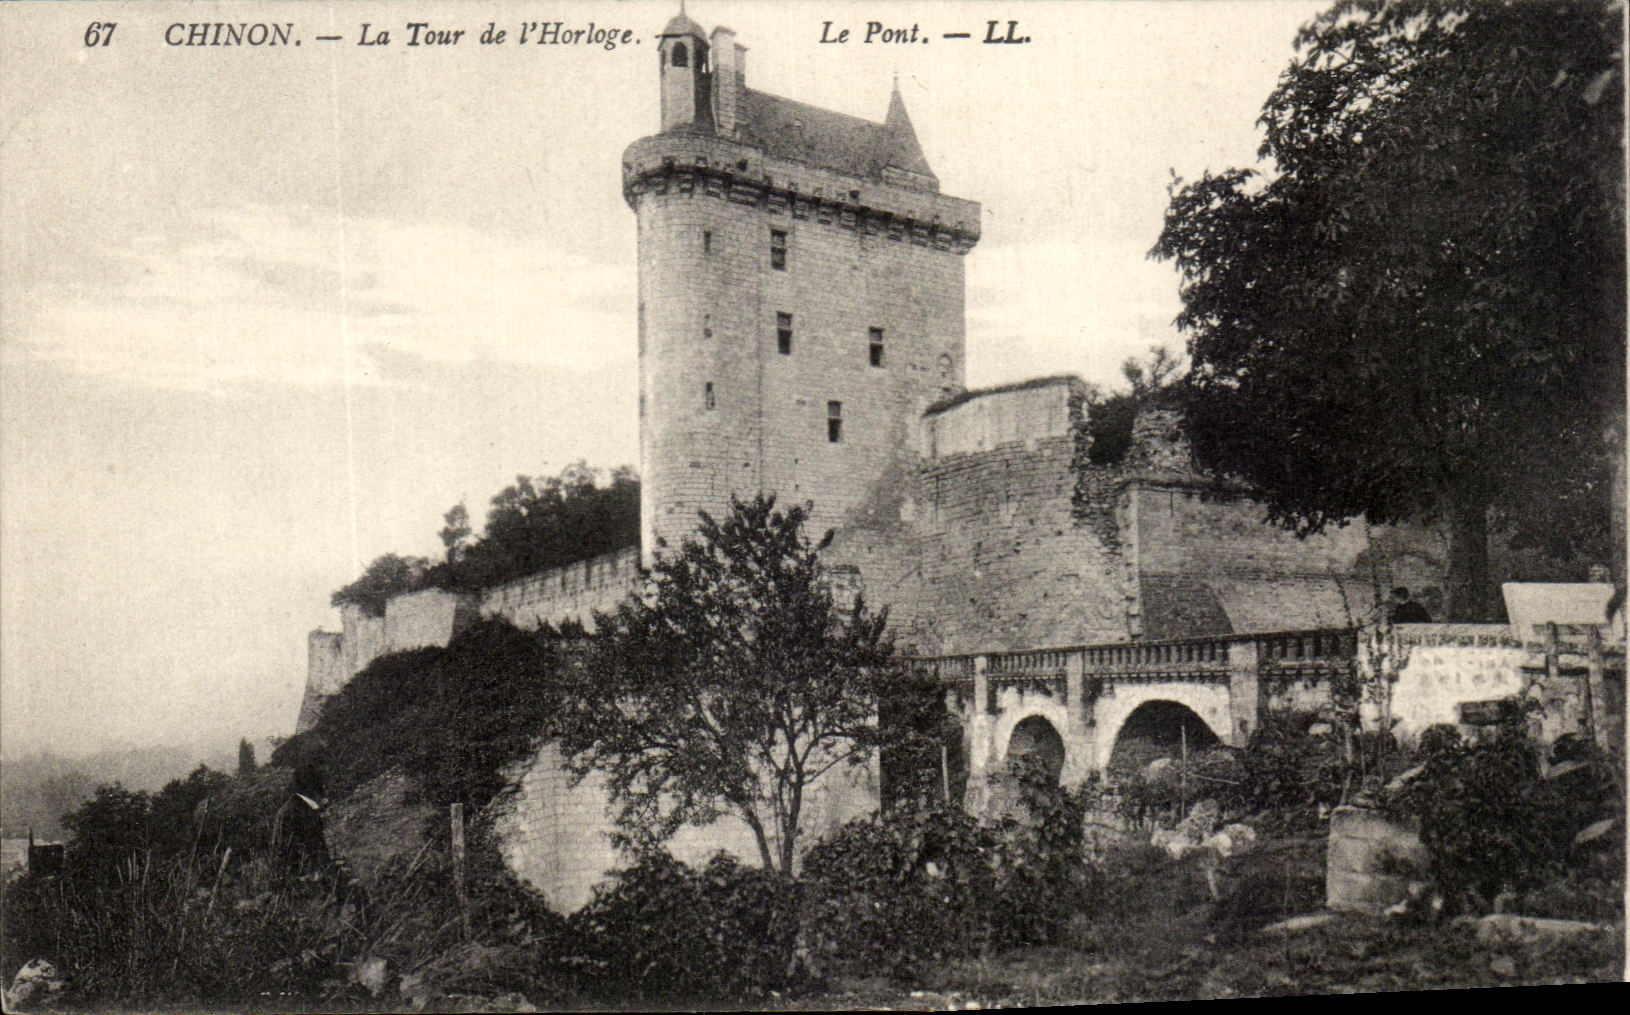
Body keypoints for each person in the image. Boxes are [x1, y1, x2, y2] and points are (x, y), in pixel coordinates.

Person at [272, 763, 332, 878]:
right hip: (302, 877)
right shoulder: (303, 813)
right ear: (313, 787)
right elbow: (316, 853)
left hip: (288, 874)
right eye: (321, 785)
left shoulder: (294, 806)